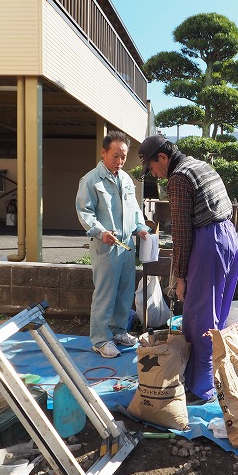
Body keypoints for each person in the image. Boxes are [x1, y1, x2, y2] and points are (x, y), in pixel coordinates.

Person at [138, 134, 238, 404]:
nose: (154, 175)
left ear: (162, 157)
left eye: (151, 167)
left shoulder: (179, 178)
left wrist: (179, 277)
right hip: (229, 236)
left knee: (198, 319)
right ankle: (215, 376)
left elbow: (182, 233)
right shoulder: (199, 165)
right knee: (218, 314)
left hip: (209, 242)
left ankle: (201, 388)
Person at [76, 131, 149, 358]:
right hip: (106, 246)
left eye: (124, 157)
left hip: (127, 245)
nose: (120, 161)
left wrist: (141, 227)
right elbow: (84, 212)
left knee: (125, 292)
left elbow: (135, 208)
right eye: (115, 156)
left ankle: (118, 331)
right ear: (104, 152)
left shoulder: (126, 179)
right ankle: (99, 339)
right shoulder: (90, 180)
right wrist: (100, 232)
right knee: (105, 294)